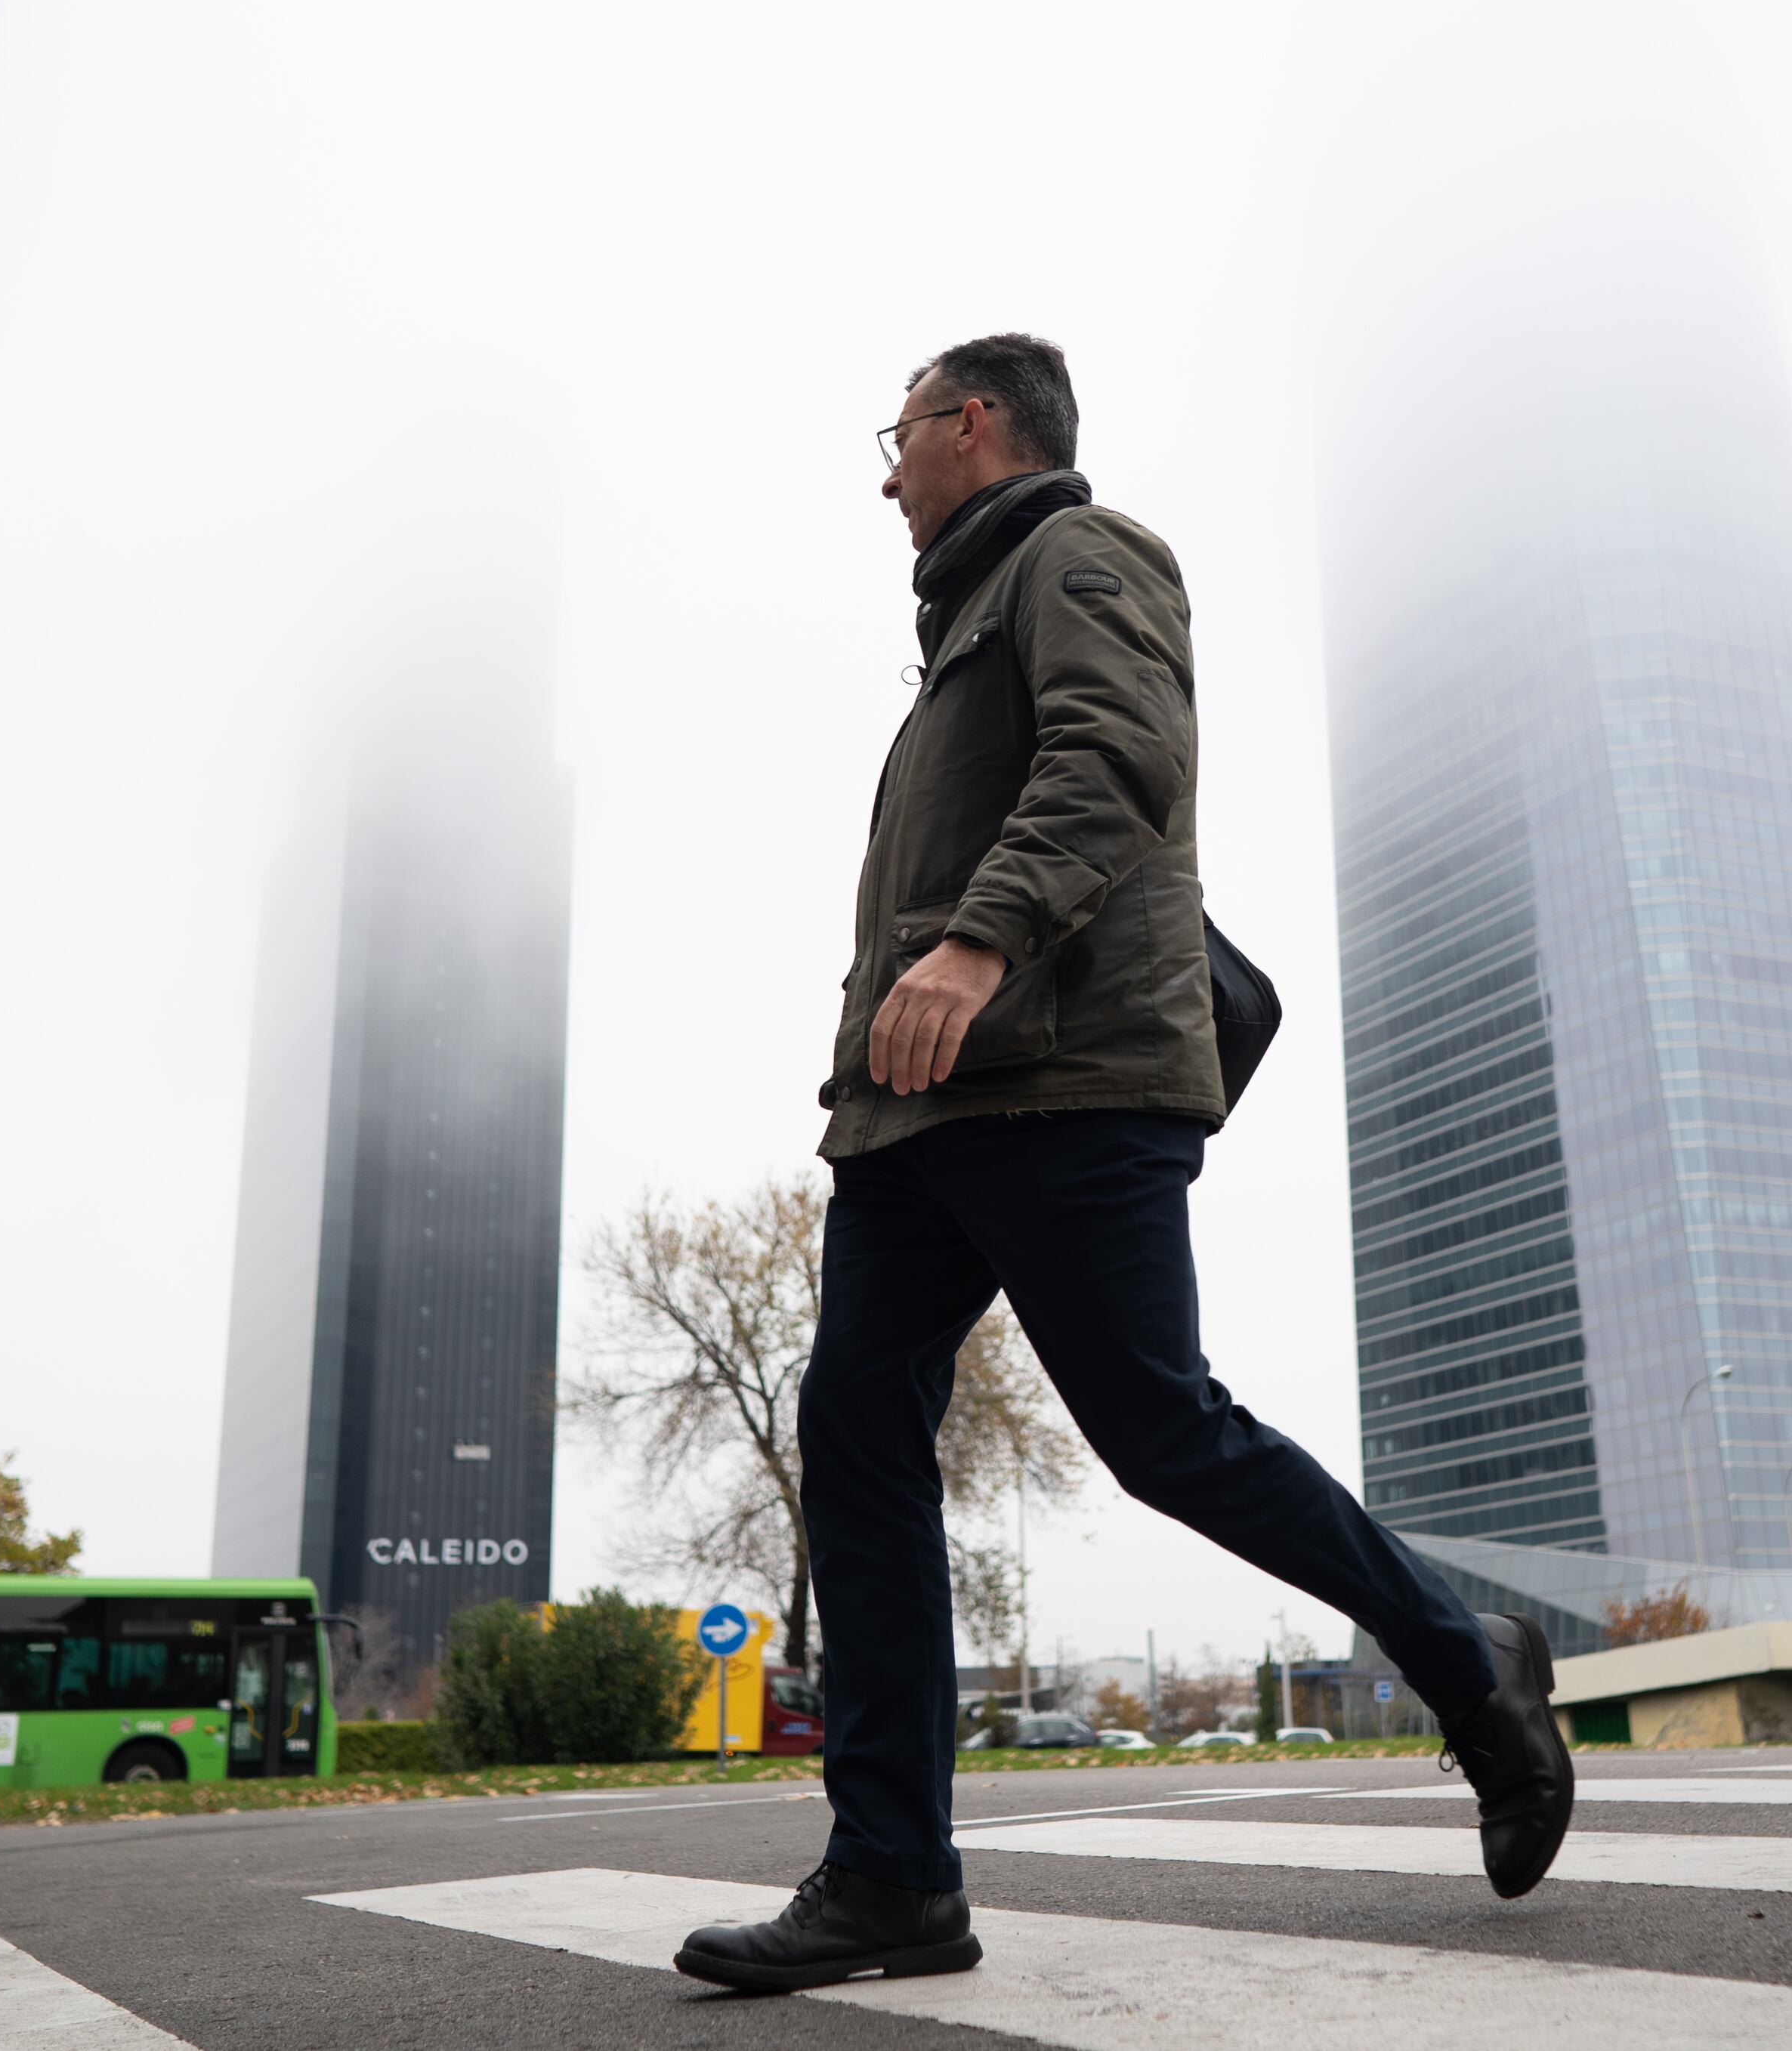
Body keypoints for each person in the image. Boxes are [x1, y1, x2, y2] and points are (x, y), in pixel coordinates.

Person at [675, 334, 1575, 1997]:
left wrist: (973, 942)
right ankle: (888, 1876)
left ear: (972, 422)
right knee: (853, 1430)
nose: (885, 472)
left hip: (1066, 1082)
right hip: (912, 1116)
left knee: (1163, 1428)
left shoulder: (1083, 554)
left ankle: (1473, 1665)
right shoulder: (957, 630)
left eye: (899, 435)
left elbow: (1119, 760)